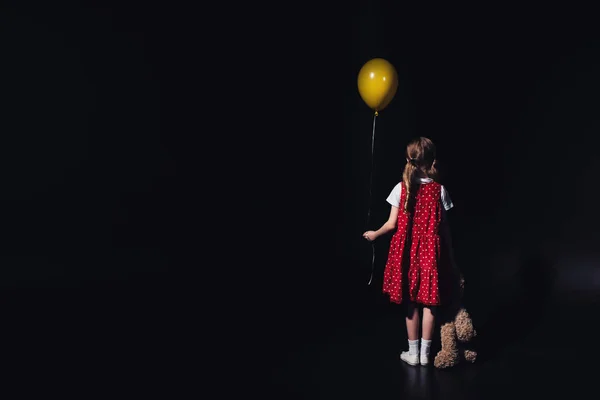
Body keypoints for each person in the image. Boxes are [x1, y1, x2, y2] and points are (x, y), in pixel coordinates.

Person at [363, 137, 456, 366]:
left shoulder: (400, 188)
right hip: (431, 255)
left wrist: (374, 234)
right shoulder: (439, 190)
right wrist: (451, 258)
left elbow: (391, 224)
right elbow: (445, 228)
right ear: (432, 160)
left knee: (411, 302)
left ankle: (413, 353)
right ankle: (425, 354)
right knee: (430, 303)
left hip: (407, 254)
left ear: (408, 159)